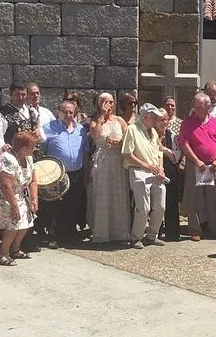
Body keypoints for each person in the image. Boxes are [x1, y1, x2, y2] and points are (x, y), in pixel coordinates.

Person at [179, 92, 216, 241]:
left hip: (213, 166)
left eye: (200, 107)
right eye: (196, 106)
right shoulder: (187, 122)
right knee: (194, 198)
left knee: (214, 198)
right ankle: (195, 229)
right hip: (196, 166)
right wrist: (196, 160)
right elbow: (183, 143)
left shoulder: (214, 122)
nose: (196, 109)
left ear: (207, 107)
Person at [0, 131, 38, 265]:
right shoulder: (8, 159)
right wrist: (14, 205)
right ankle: (3, 254)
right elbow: (5, 185)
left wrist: (34, 199)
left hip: (21, 194)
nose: (35, 148)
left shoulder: (29, 159)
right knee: (13, 224)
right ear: (23, 148)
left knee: (27, 222)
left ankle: (15, 249)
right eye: (32, 146)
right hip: (5, 196)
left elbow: (33, 181)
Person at [43, 100, 91, 246]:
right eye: (65, 112)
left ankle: (69, 234)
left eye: (71, 112)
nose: (68, 115)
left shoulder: (81, 130)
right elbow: (42, 151)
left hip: (76, 172)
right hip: (56, 174)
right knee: (56, 206)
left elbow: (85, 152)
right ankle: (53, 236)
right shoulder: (49, 128)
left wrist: (86, 173)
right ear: (59, 112)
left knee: (73, 204)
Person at [122, 103, 167, 248]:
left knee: (160, 206)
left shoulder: (153, 132)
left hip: (155, 173)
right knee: (143, 207)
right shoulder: (132, 129)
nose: (156, 121)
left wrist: (160, 168)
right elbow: (127, 154)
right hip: (138, 171)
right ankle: (136, 237)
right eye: (154, 117)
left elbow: (159, 150)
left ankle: (152, 235)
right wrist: (146, 166)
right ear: (146, 116)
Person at [87, 92, 131, 243]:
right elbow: (96, 135)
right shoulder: (94, 120)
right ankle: (101, 233)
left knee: (118, 194)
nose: (109, 106)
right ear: (99, 104)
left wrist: (120, 142)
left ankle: (119, 232)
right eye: (106, 102)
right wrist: (102, 117)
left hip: (118, 160)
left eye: (111, 102)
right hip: (103, 159)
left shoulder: (119, 120)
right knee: (103, 194)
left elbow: (129, 137)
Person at [159, 96, 183, 241]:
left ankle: (172, 233)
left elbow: (176, 156)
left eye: (165, 120)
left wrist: (164, 149)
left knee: (171, 201)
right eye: (160, 120)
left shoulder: (172, 135)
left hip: (169, 169)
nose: (163, 122)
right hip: (154, 169)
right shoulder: (150, 134)